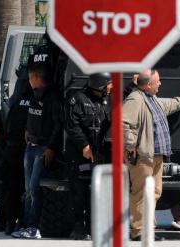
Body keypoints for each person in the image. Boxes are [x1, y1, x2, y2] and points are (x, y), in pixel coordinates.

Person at [123, 69, 180, 240]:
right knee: (141, 193)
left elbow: (166, 106)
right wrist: (132, 144)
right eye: (158, 81)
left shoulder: (150, 99)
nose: (160, 83)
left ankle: (146, 228)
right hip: (143, 156)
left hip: (156, 156)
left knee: (154, 192)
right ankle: (139, 231)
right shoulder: (135, 99)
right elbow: (123, 122)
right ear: (148, 84)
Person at [12, 51, 63, 239]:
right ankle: (25, 225)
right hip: (31, 147)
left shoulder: (52, 97)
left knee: (34, 188)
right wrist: (27, 129)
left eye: (30, 77)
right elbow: (32, 115)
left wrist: (50, 147)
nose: (29, 80)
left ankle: (34, 227)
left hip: (42, 149)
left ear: (35, 77)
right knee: (28, 190)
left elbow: (58, 124)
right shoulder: (34, 94)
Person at [65, 73, 112, 240]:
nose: (110, 87)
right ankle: (79, 227)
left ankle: (95, 227)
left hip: (99, 154)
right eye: (108, 84)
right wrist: (84, 145)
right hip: (79, 154)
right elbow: (72, 125)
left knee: (96, 191)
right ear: (100, 85)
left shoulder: (107, 101)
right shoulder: (77, 99)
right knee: (79, 191)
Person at [0, 66, 33, 235]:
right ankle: (20, 222)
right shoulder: (34, 100)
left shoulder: (15, 100)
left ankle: (7, 222)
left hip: (10, 149)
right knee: (25, 188)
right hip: (23, 150)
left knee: (11, 188)